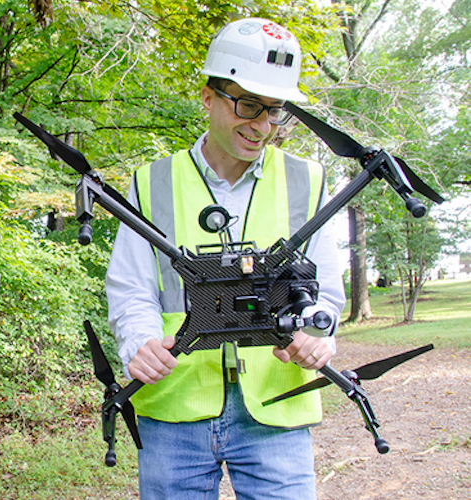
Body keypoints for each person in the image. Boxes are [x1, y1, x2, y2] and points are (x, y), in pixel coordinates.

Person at [104, 18, 347, 500]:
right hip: (176, 407)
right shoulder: (151, 181)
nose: (261, 126)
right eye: (248, 105)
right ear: (208, 96)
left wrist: (317, 335)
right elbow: (132, 287)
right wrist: (140, 343)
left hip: (276, 404)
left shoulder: (307, 180)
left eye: (275, 110)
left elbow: (327, 293)